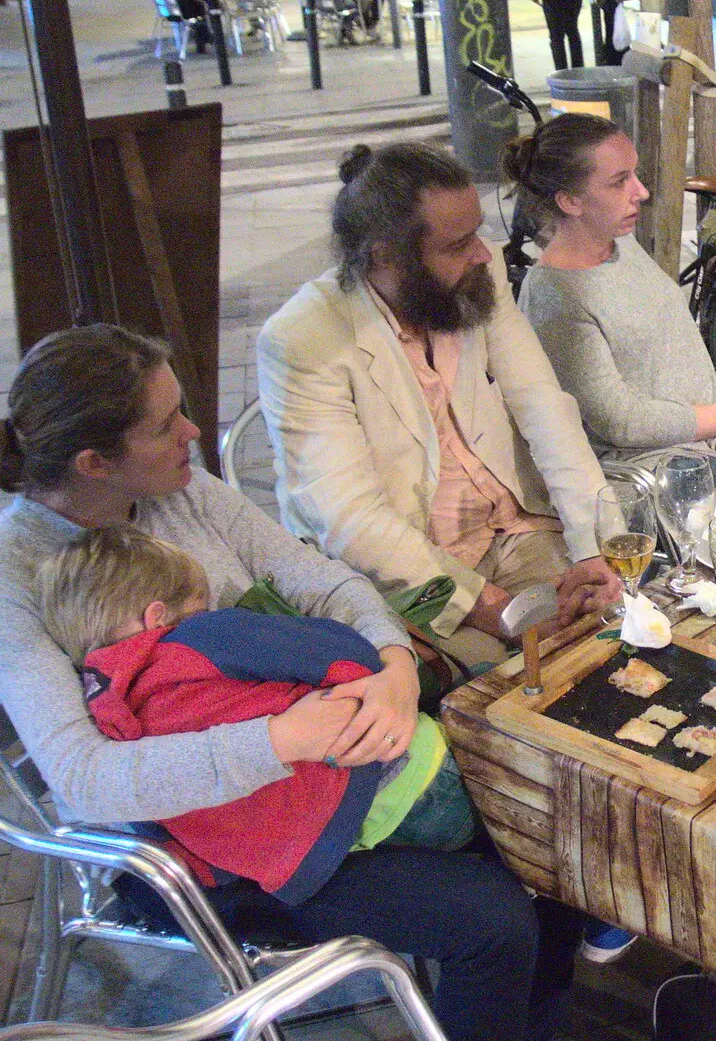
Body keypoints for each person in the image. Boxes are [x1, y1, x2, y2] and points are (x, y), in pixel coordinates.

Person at [0, 324, 583, 1041]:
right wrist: (282, 738)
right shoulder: (15, 576)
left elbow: (324, 584)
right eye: (165, 424)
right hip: (228, 841)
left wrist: (394, 665)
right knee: (494, 920)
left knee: (556, 822)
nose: (192, 430)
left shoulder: (177, 491)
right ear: (94, 461)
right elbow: (87, 779)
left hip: (329, 761)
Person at [256, 142, 621, 677]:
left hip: (516, 528)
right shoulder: (304, 339)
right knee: (501, 686)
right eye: (457, 243)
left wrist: (592, 545)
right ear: (385, 256)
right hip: (409, 571)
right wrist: (496, 610)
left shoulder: (476, 271)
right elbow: (352, 522)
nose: (482, 253)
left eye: (478, 231)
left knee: (611, 632)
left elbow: (544, 406)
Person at [40, 524, 478, 904]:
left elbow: (164, 821)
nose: (207, 616)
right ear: (157, 616)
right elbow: (344, 656)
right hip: (413, 776)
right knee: (489, 694)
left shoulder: (109, 718)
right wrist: (377, 666)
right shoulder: (198, 636)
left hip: (338, 846)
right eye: (199, 607)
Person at [514, 115, 716, 494]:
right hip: (646, 463)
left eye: (635, 174)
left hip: (712, 434)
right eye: (619, 181)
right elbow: (619, 421)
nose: (639, 192)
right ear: (570, 201)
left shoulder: (620, 243)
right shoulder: (556, 295)